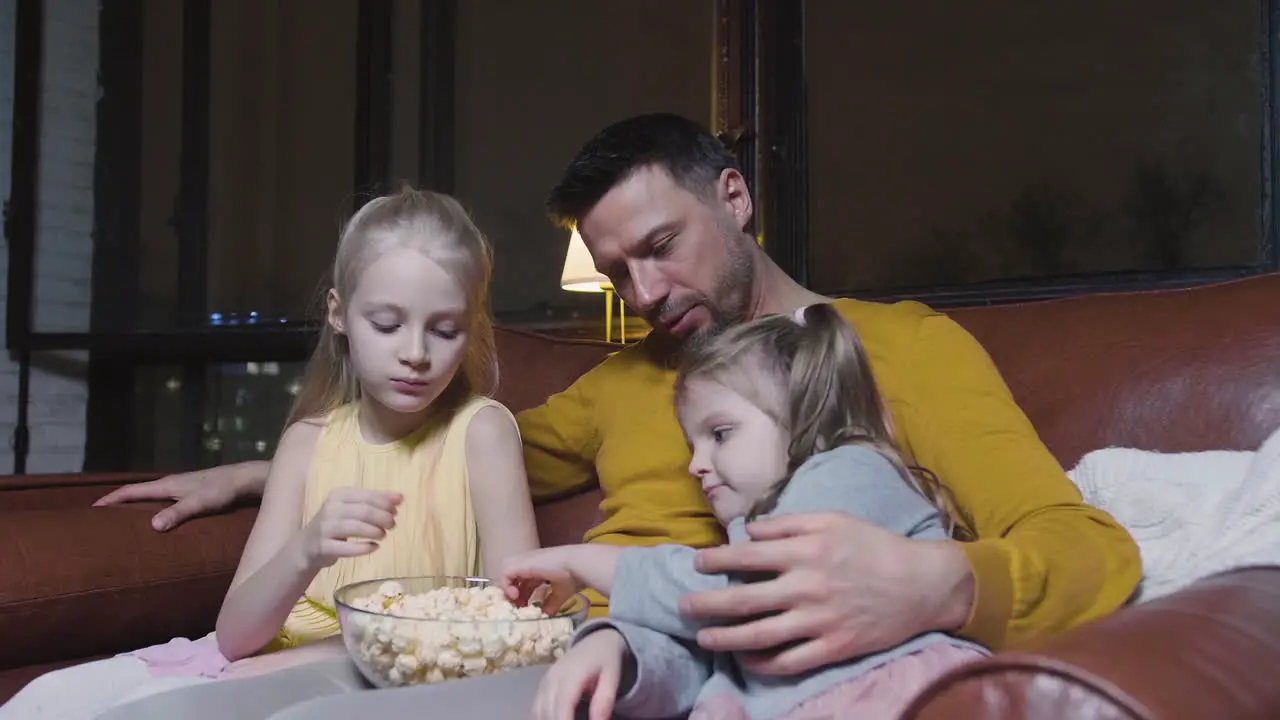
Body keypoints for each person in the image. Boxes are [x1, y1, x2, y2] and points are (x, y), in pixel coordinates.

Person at [95, 113, 1141, 681]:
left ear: (732, 198)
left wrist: (937, 584)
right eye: (616, 270)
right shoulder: (620, 381)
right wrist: (250, 473)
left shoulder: (900, 346)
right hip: (583, 668)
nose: (642, 295)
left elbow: (1089, 551)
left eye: (659, 248)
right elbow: (428, 439)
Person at [5, 187, 541, 718]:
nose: (416, 354)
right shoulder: (308, 442)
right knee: (48, 701)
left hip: (385, 675)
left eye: (445, 330)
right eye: (387, 324)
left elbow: (510, 630)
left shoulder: (482, 432)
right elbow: (235, 637)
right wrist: (306, 549)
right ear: (339, 314)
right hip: (258, 658)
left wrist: (315, 658)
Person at [502, 303, 990, 720]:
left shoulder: (850, 470)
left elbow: (742, 599)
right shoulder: (746, 542)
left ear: (807, 415)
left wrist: (589, 564)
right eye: (691, 443)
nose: (696, 465)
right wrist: (620, 650)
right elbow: (708, 651)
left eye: (719, 434)